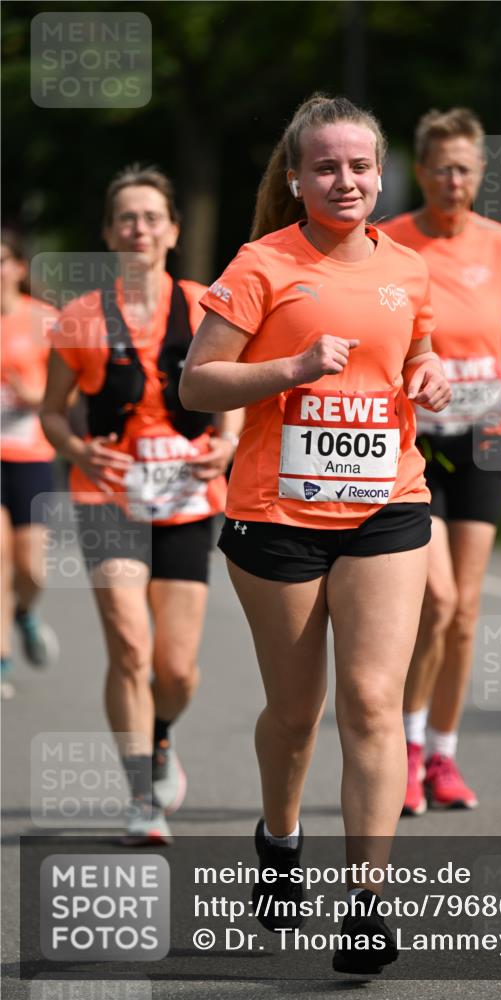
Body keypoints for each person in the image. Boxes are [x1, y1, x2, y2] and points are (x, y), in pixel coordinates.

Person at [179, 94, 451, 975]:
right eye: (326, 166)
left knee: (372, 702)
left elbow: (413, 353)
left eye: (360, 166)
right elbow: (198, 385)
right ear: (294, 178)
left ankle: (366, 907)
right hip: (276, 515)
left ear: (381, 174)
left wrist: (430, 370)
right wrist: (290, 368)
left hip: (387, 507)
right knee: (297, 715)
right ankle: (278, 835)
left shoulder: (406, 269)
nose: (345, 180)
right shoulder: (262, 263)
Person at [40, 166, 243, 844]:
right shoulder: (79, 318)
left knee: (175, 668)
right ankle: (140, 797)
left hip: (188, 497)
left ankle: (159, 737)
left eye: (152, 217)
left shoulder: (207, 304)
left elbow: (233, 391)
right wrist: (77, 448)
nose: (139, 229)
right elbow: (51, 412)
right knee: (130, 645)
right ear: (108, 233)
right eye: (126, 218)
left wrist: (226, 443)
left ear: (173, 230)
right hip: (108, 495)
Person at [381, 108, 501, 816]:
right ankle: (405, 749)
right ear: (420, 171)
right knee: (439, 600)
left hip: (483, 435)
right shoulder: (390, 246)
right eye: (440, 167)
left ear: (480, 173)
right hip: (415, 443)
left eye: (465, 168)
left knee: (465, 613)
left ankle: (443, 758)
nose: (453, 180)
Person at [1, 229, 60, 700]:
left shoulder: (45, 321)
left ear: (20, 266)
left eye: (4, 260)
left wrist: (34, 398)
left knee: (31, 569)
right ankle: (1, 661)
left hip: (31, 457)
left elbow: (67, 395)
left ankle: (25, 613)